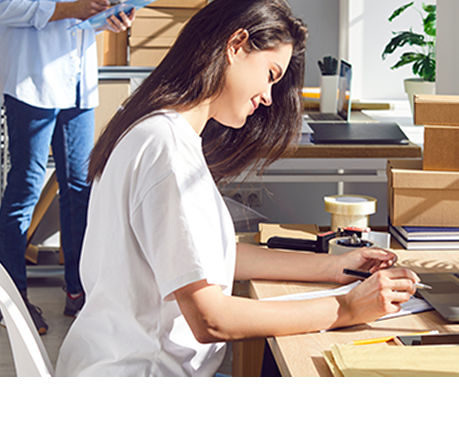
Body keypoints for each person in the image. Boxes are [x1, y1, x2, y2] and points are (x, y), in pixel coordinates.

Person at [56, 0, 420, 377]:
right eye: (270, 74)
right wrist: (346, 308)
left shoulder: (158, 131)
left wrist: (335, 267)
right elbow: (211, 319)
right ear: (236, 45)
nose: (267, 97)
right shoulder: (167, 149)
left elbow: (214, 256)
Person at [0, 0, 135, 335]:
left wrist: (108, 19)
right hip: (32, 80)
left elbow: (82, 20)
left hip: (79, 83)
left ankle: (78, 291)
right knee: (25, 189)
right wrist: (67, 8)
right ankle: (12, 301)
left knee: (80, 190)